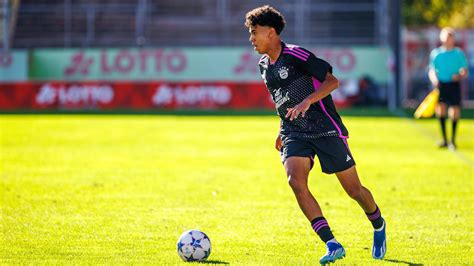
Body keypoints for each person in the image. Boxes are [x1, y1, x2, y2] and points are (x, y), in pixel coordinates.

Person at [244, 5, 386, 264]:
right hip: (294, 132)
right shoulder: (264, 66)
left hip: (325, 128)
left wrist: (307, 101)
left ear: (271, 32)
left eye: (255, 32)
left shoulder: (296, 54)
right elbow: (281, 101)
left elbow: (332, 82)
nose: (251, 39)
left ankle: (378, 223)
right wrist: (281, 129)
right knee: (295, 182)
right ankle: (332, 243)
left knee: (354, 190)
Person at [428, 27, 468, 150]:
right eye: (445, 37)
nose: (447, 40)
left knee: (454, 111)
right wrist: (434, 79)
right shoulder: (436, 53)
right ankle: (445, 140)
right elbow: (432, 70)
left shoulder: (458, 53)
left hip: (453, 84)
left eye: (450, 37)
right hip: (441, 85)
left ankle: (453, 140)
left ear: (453, 39)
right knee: (441, 110)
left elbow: (464, 70)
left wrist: (460, 75)